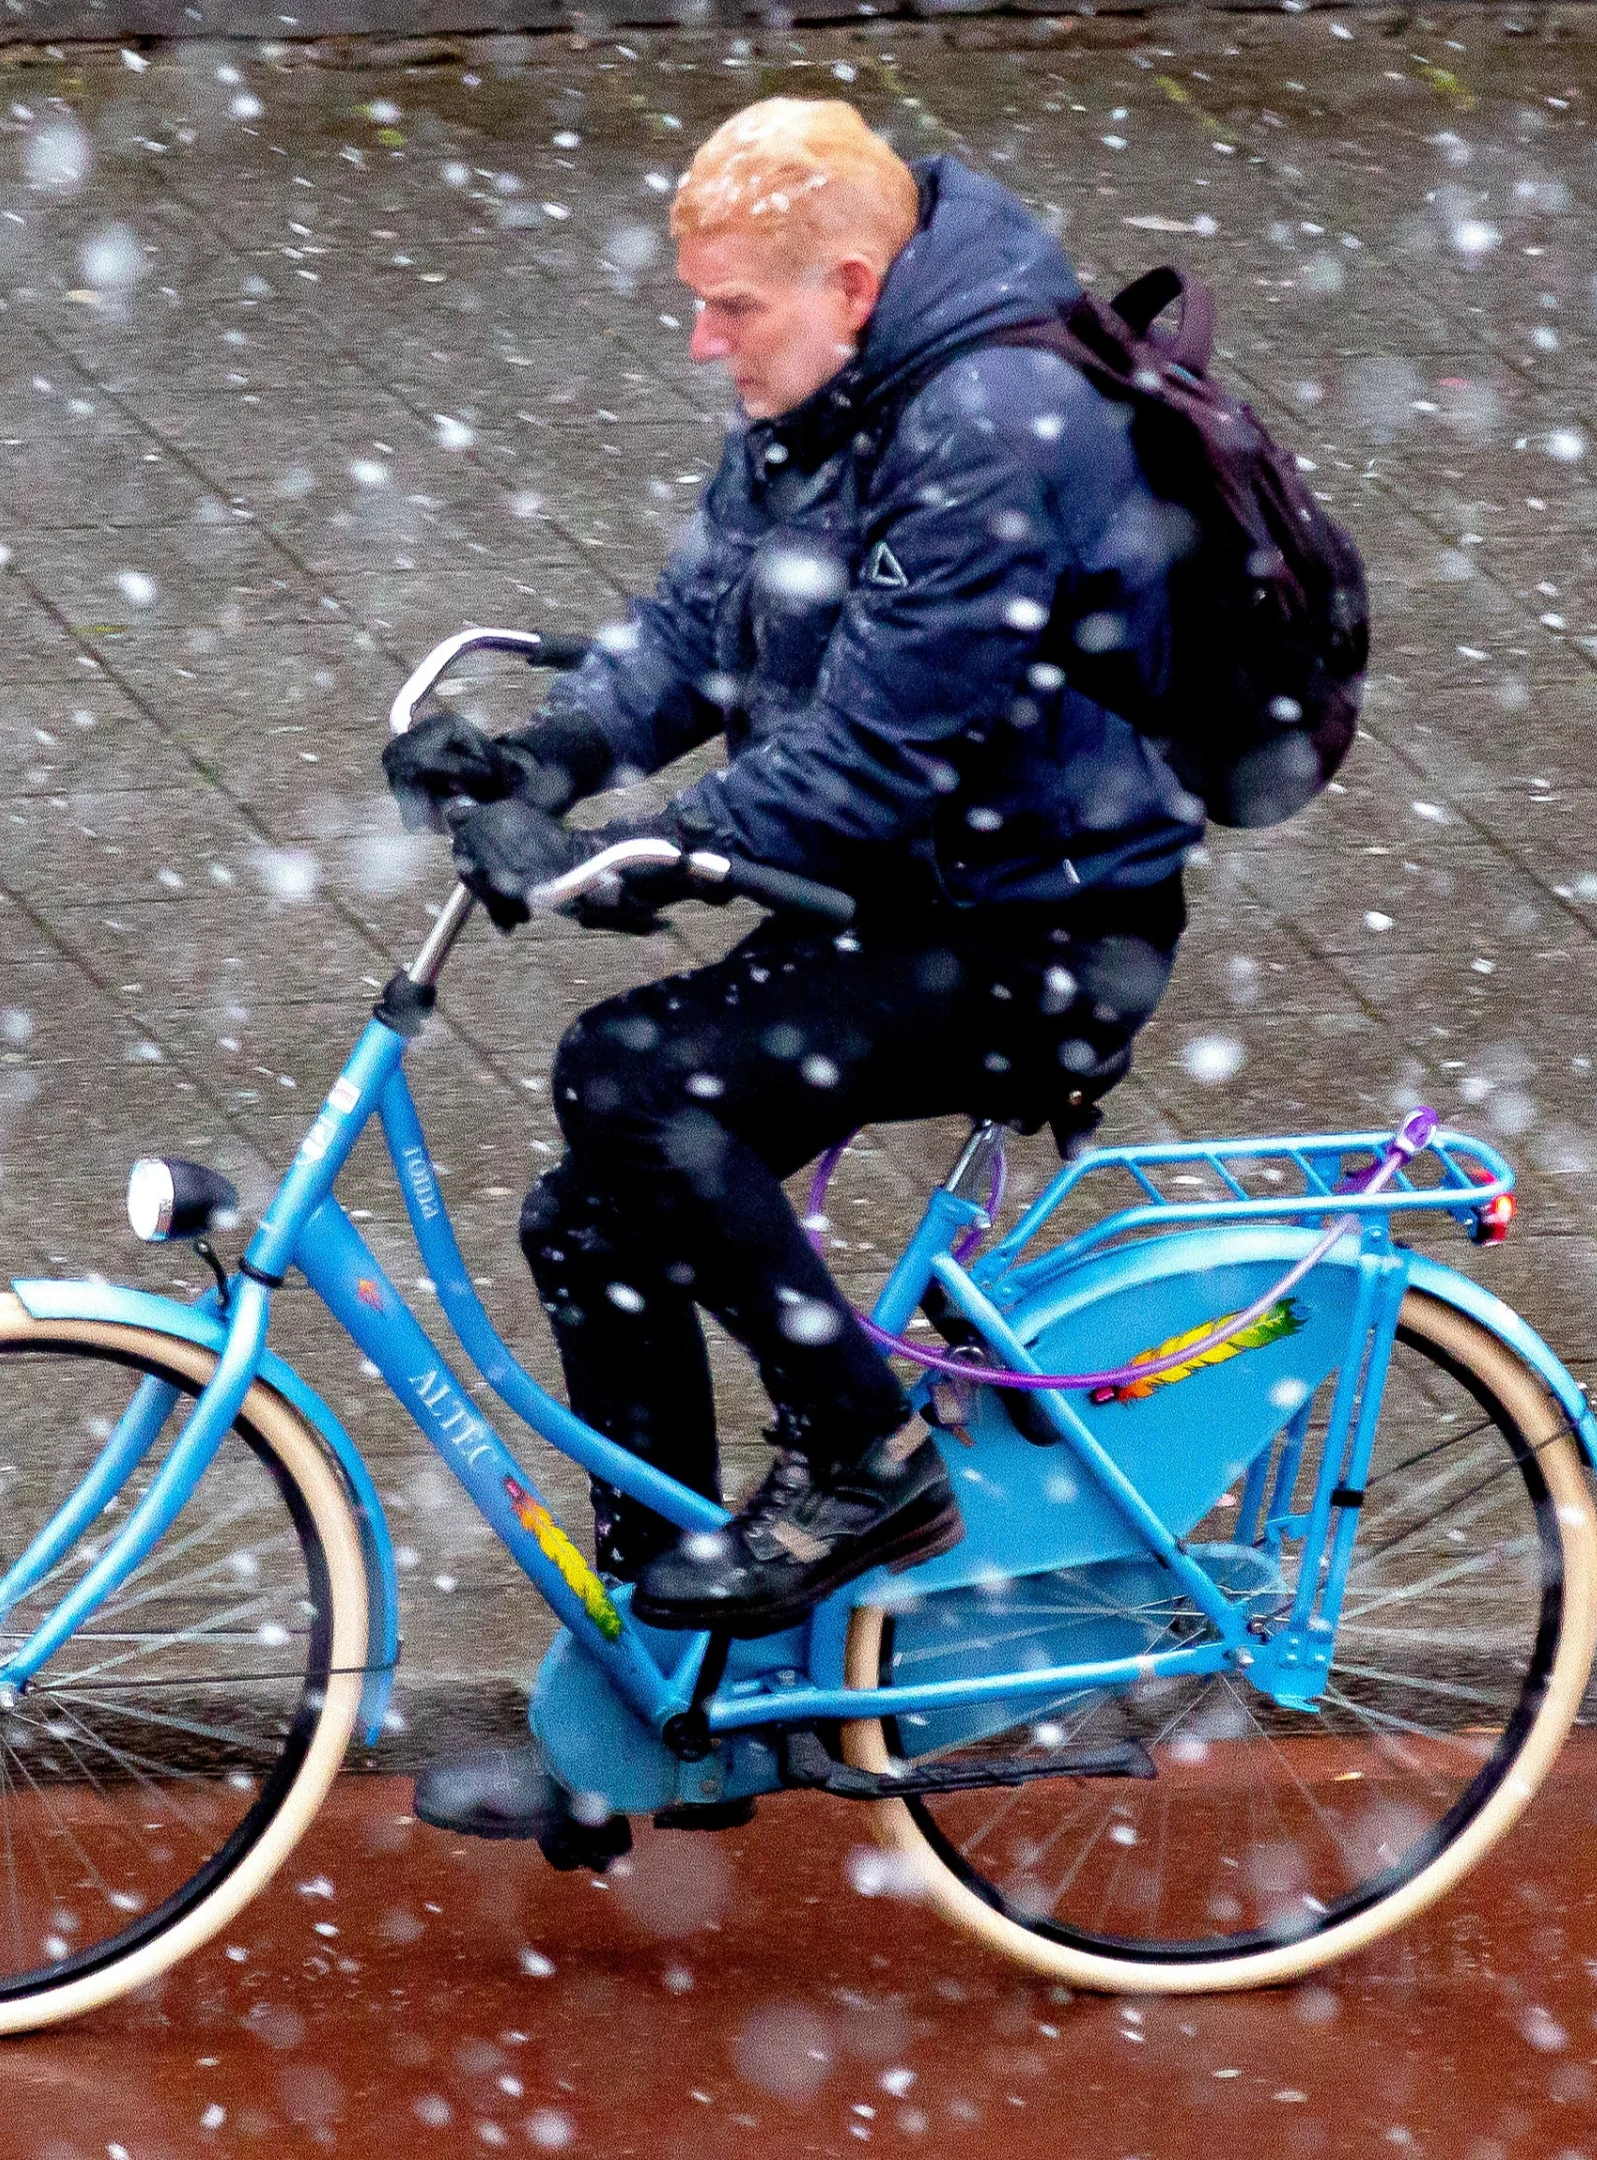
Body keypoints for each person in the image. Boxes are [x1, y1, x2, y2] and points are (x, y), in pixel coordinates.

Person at [384, 100, 1204, 1840]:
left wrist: (656, 849)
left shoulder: (989, 423)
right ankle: (676, 1716)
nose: (700, 339)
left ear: (849, 279)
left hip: (1040, 932)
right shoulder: (829, 384)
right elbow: (695, 630)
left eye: (728, 307)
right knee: (591, 1216)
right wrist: (547, 760)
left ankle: (867, 1455)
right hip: (919, 899)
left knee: (629, 1075)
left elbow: (872, 764)